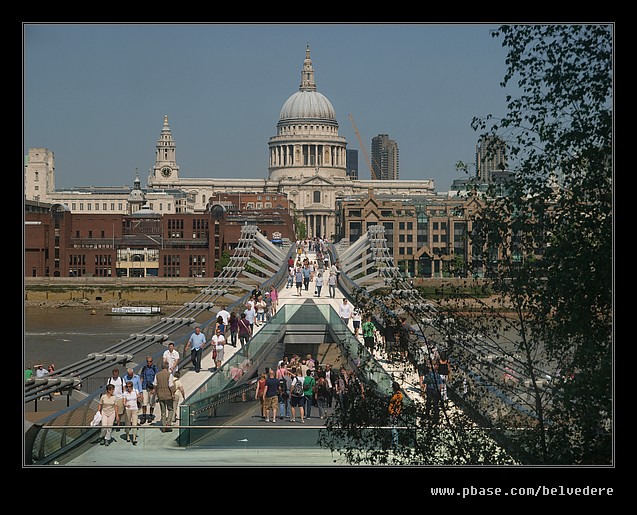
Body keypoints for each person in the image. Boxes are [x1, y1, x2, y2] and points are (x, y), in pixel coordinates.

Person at [154, 361, 176, 432]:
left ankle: (163, 426)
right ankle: (168, 424)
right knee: (171, 409)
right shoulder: (169, 375)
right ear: (167, 367)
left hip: (160, 395)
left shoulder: (157, 375)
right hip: (168, 395)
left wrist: (157, 393)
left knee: (163, 412)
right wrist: (172, 394)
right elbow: (171, 385)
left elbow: (155, 385)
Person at [122, 380, 141, 445]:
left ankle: (134, 438)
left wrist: (139, 397)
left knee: (134, 424)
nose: (128, 388)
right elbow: (124, 402)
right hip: (128, 409)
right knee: (128, 423)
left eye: (129, 387)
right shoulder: (125, 393)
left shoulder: (135, 391)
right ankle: (127, 435)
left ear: (132, 386)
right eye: (127, 387)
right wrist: (126, 405)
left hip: (135, 408)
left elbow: (139, 397)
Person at [140, 356, 158, 424]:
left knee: (152, 403)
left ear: (152, 362)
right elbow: (142, 377)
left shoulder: (154, 368)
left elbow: (156, 378)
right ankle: (144, 416)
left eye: (150, 361)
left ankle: (150, 415)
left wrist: (154, 388)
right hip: (145, 386)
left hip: (152, 387)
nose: (149, 363)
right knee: (144, 403)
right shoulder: (144, 368)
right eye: (147, 361)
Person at [388, 381, 403, 448]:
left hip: (394, 413)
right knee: (393, 428)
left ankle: (395, 442)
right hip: (393, 413)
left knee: (394, 427)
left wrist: (395, 413)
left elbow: (397, 405)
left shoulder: (398, 395)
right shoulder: (397, 394)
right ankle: (394, 442)